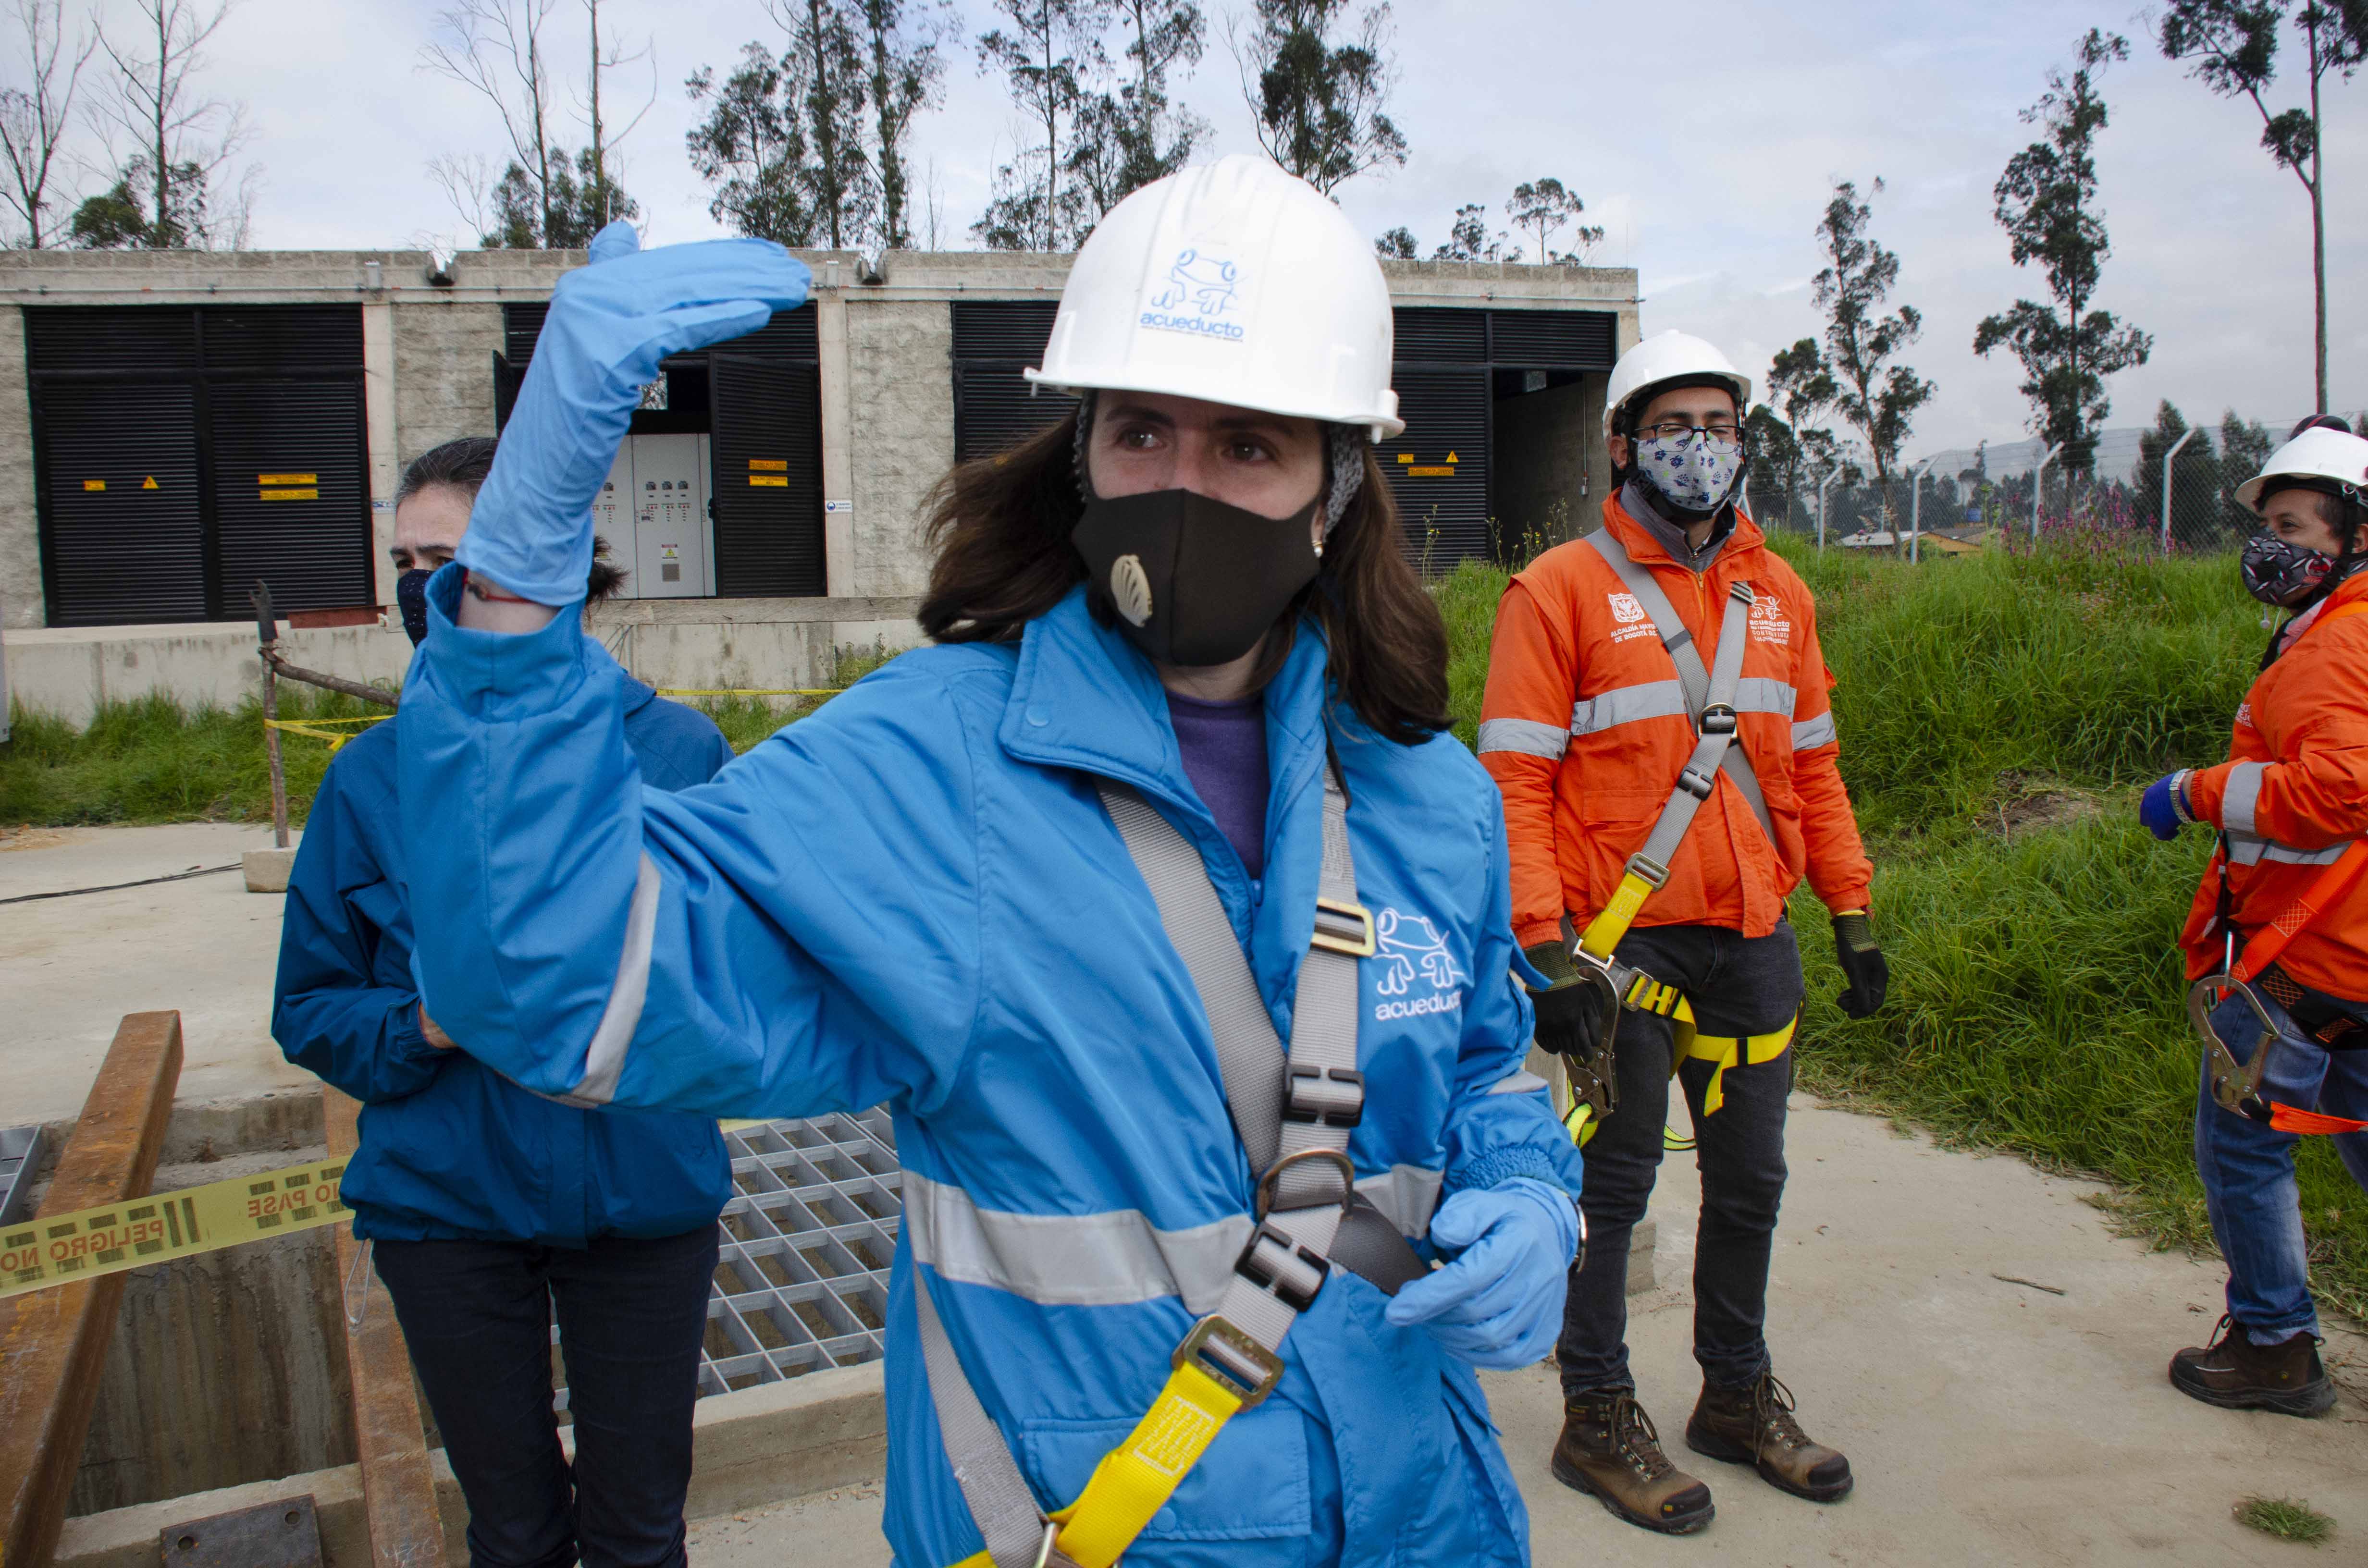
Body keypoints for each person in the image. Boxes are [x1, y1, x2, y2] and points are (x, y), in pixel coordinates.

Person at [388, 159, 1586, 1568]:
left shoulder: (1422, 789)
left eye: (1249, 445)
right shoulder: (927, 766)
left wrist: (1531, 1193)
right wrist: (513, 593)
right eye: (1142, 432)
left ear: (1340, 483)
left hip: (1426, 1521)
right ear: (1081, 451)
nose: (1182, 487)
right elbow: (545, 978)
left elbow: (1485, 1063)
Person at [274, 435, 737, 1568]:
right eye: (406, 559)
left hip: (641, 1203)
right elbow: (311, 1007)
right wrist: (429, 1022)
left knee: (637, 1536)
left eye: (455, 558)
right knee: (515, 1535)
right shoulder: (371, 778)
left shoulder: (675, 752)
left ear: (562, 567)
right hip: (446, 1213)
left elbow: (734, 986)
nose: (422, 587)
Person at [1476, 330, 1887, 1533]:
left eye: (1717, 426)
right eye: (1672, 427)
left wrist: (1849, 908)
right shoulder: (1553, 590)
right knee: (1612, 1191)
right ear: (1621, 445)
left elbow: (1811, 768)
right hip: (1624, 952)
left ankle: (1734, 1395)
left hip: (1753, 937)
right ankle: (1595, 1416)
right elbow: (1512, 783)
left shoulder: (1778, 597)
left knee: (1752, 1184)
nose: (1697, 447)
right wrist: (1538, 945)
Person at [2141, 415, 2368, 1419]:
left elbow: (2335, 791)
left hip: (2298, 955)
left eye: (2290, 523)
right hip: (2348, 948)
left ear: (2351, 533)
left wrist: (2196, 790)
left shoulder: (2334, 648)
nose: (2267, 544)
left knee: (2243, 1144)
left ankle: (2275, 1345)